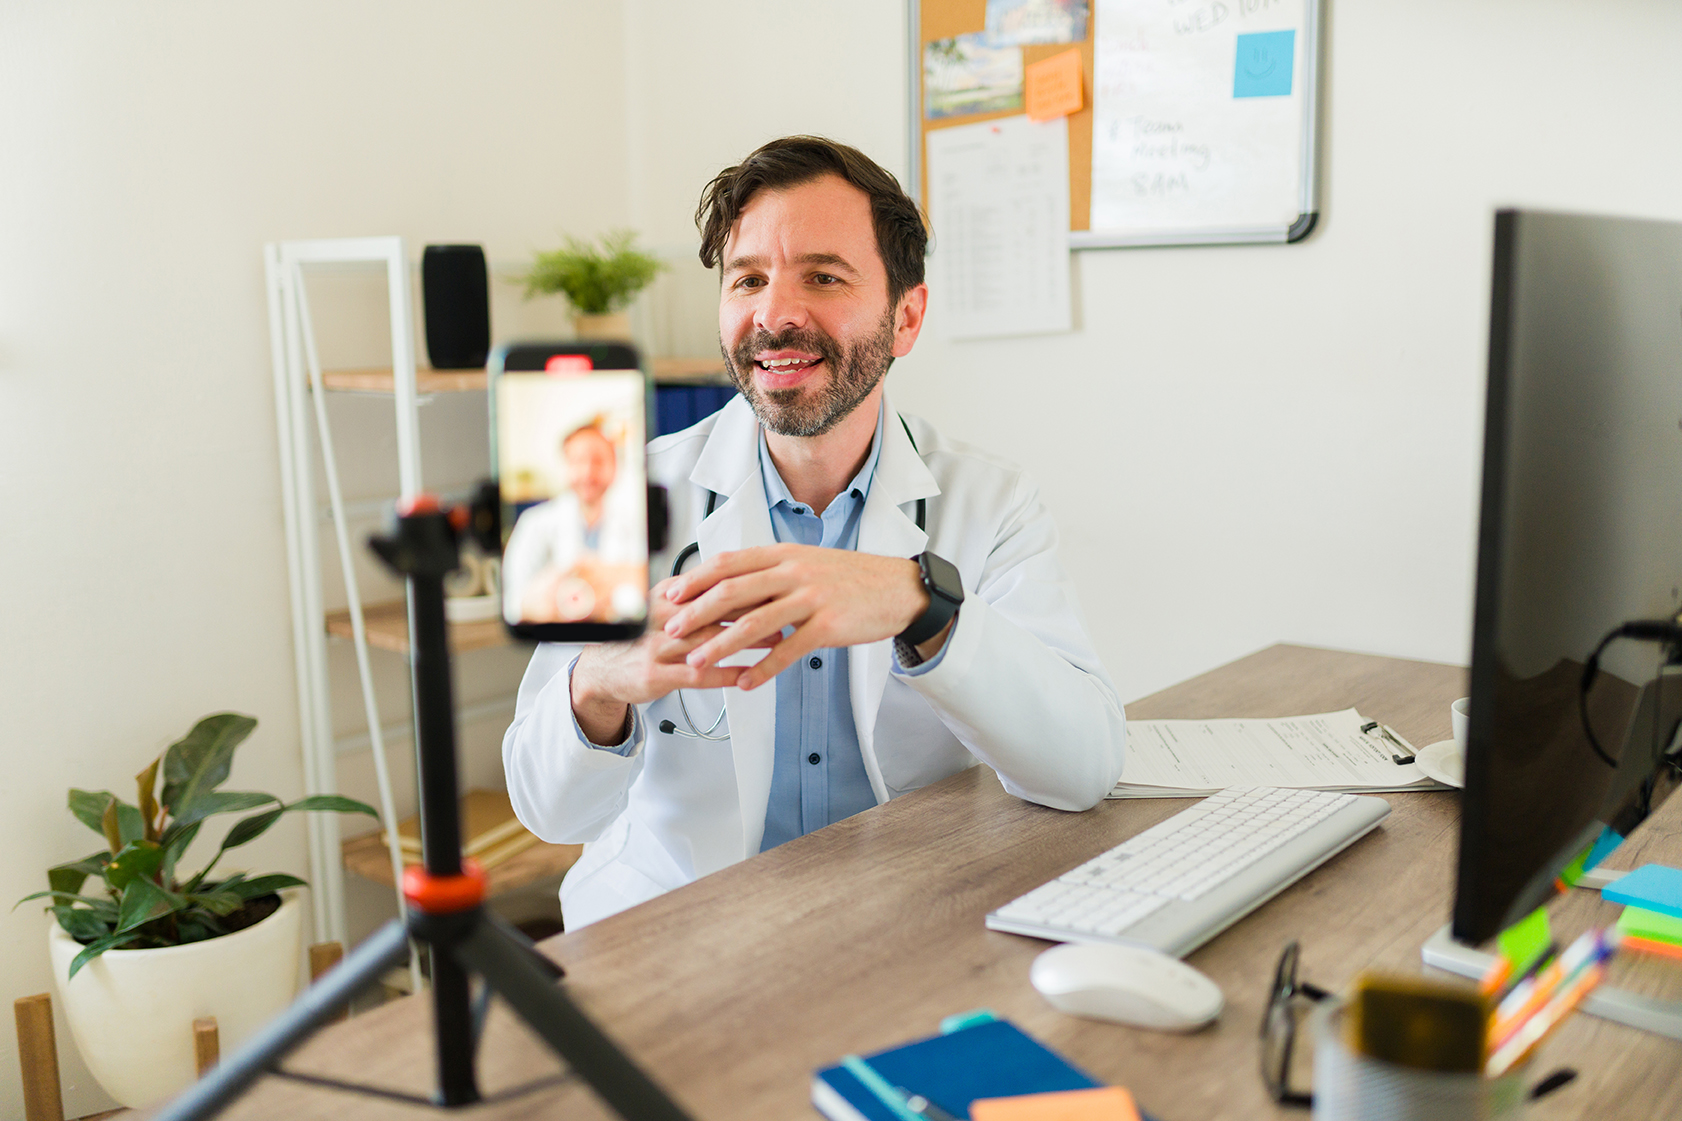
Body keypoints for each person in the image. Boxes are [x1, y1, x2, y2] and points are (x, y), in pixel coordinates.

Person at [504, 136, 1126, 928]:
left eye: (823, 277)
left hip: (902, 926)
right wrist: (597, 685)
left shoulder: (990, 503)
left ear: (906, 317)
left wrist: (921, 607)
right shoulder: (626, 497)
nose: (775, 315)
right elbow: (546, 809)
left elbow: (1082, 768)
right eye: (749, 279)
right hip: (675, 929)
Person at [501, 419, 644, 624]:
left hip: (622, 642)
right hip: (557, 644)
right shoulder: (534, 523)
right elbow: (512, 603)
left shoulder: (635, 523)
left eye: (597, 461)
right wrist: (545, 602)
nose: (587, 472)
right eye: (577, 461)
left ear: (614, 467)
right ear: (565, 466)